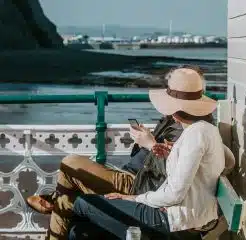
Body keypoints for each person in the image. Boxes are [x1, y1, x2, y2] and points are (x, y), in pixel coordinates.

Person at [69, 67, 226, 239]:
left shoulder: (195, 134)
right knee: (81, 232)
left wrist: (134, 199)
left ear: (174, 111)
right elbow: (228, 160)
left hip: (175, 222)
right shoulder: (207, 130)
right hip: (181, 218)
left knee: (83, 203)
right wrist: (176, 154)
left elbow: (174, 194)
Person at [26, 115, 183, 240]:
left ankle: (54, 200)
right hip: (129, 172)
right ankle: (56, 201)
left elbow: (172, 172)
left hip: (137, 183)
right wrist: (141, 143)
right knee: (66, 198)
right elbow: (145, 157)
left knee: (70, 164)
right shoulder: (170, 119)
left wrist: (151, 144)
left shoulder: (185, 129)